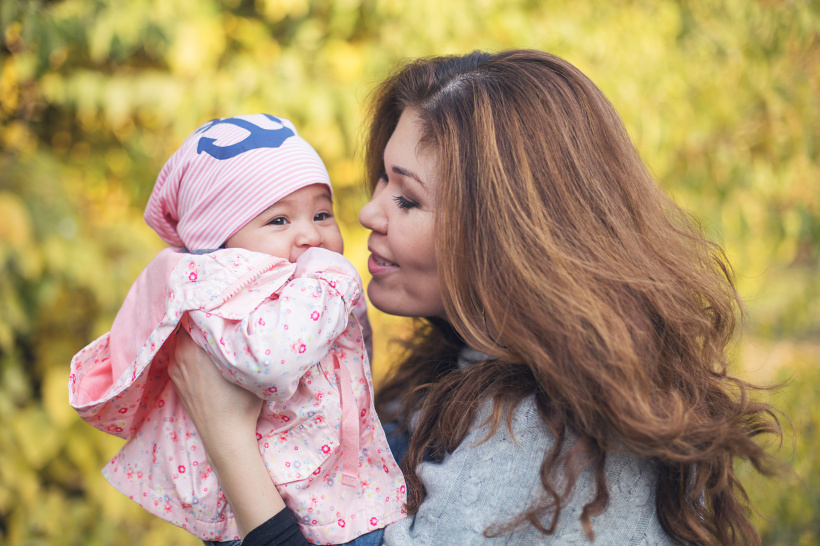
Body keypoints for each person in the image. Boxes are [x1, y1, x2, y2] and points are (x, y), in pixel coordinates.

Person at [170, 51, 782, 545]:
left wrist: (228, 439)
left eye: (407, 199)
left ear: (503, 234)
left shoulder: (544, 439)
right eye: (382, 178)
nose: (368, 213)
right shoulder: (455, 369)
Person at [68, 114, 406, 546]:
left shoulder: (294, 286)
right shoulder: (223, 293)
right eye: (279, 221)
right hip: (293, 510)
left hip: (321, 498)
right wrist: (333, 281)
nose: (310, 234)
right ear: (221, 244)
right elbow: (273, 363)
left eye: (322, 214)